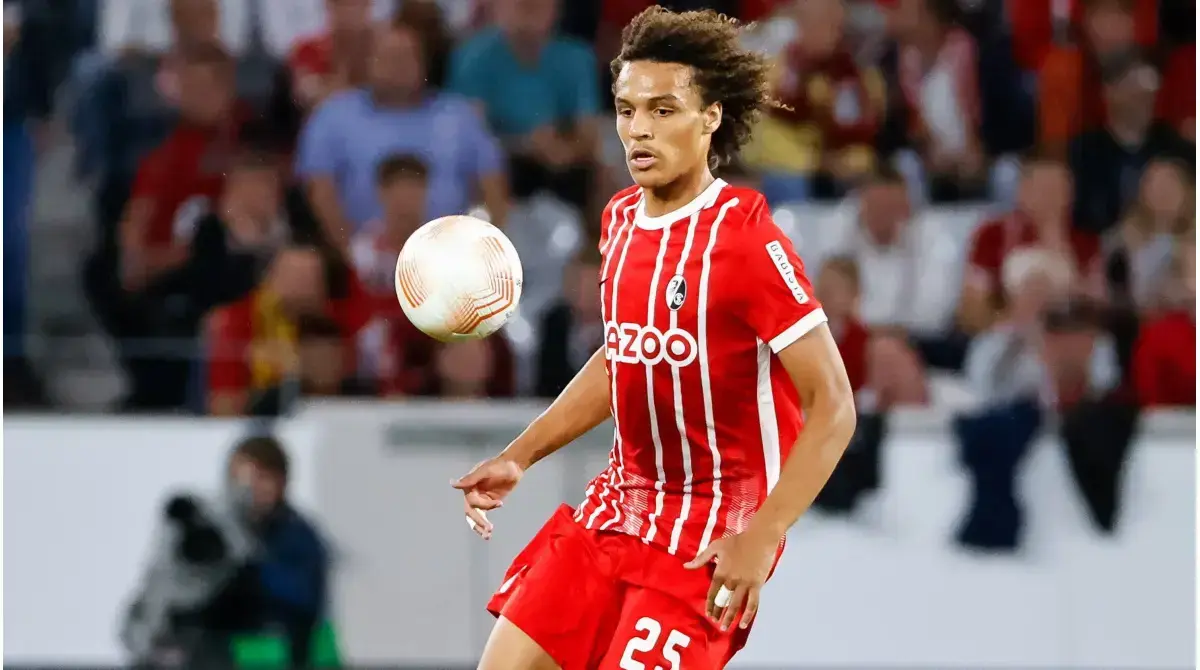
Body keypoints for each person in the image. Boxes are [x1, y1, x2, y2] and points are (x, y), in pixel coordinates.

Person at [451, 7, 857, 670]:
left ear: (711, 117)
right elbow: (624, 357)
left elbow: (834, 404)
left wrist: (763, 537)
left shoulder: (745, 239)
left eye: (664, 110)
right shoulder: (619, 220)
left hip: (708, 540)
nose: (639, 128)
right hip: (615, 512)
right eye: (626, 110)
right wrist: (521, 455)